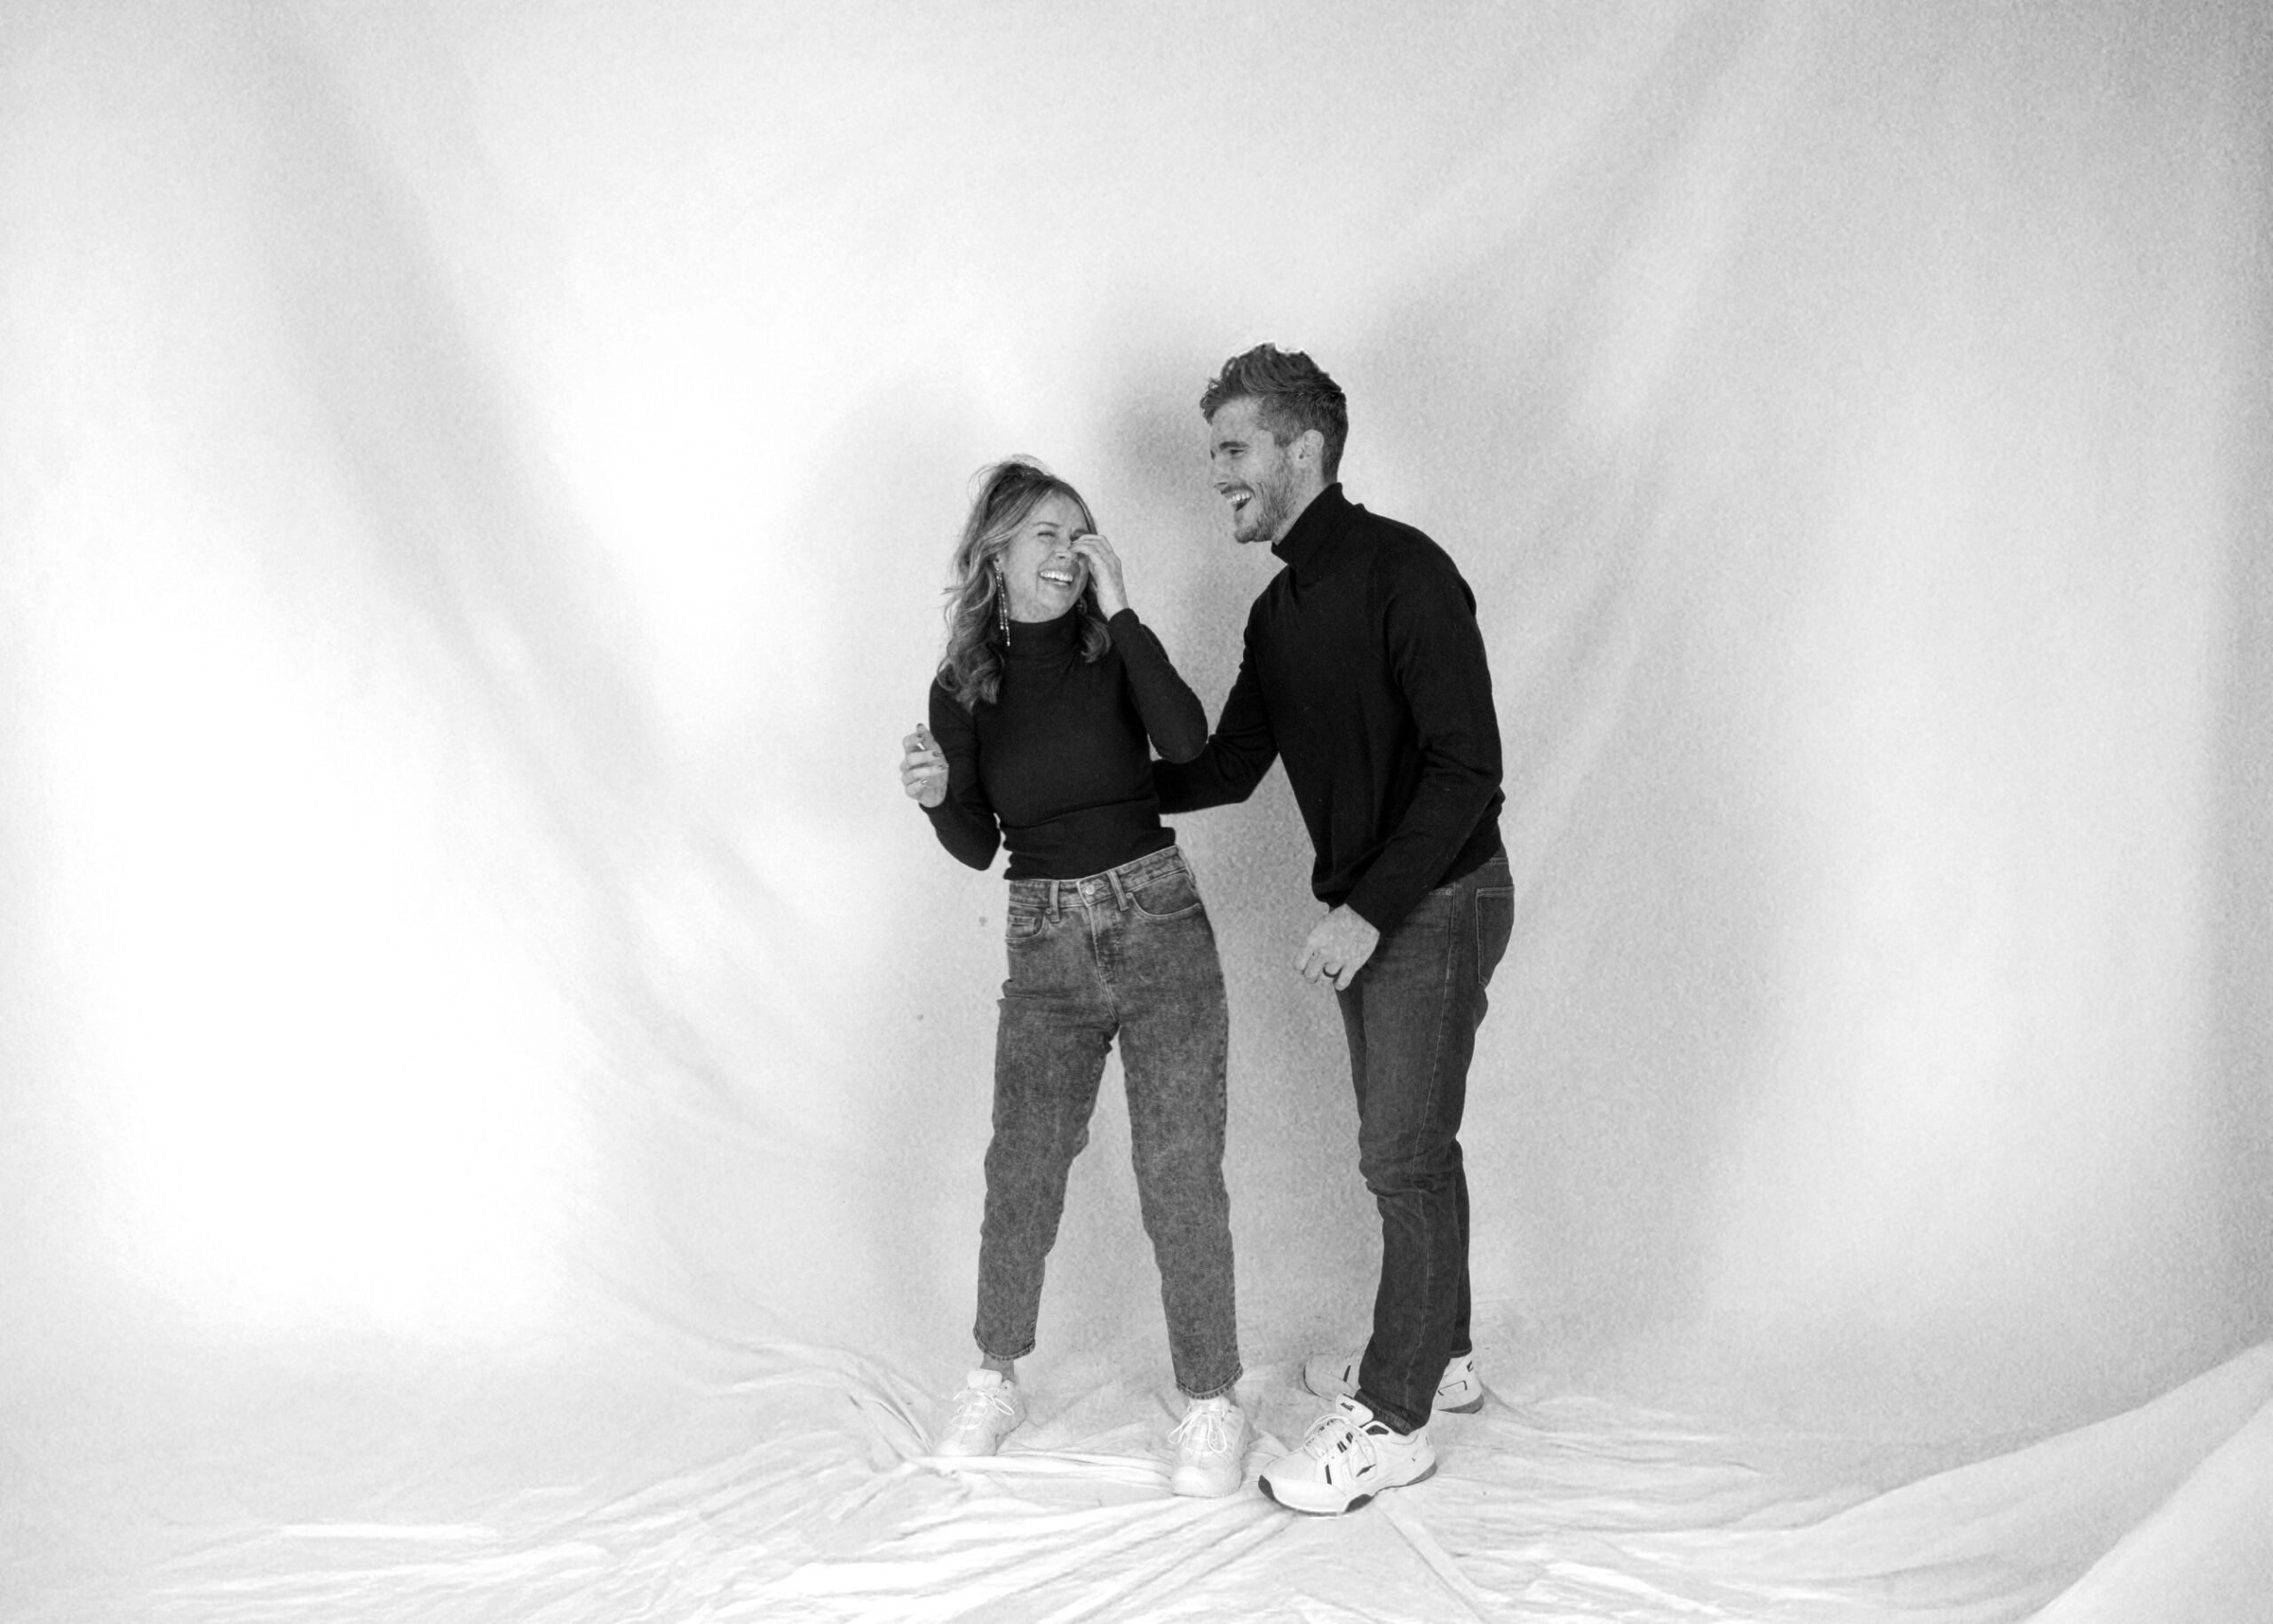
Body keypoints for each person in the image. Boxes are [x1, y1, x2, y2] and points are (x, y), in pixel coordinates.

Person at [1154, 345, 1511, 1516]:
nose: (1218, 473)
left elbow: (1467, 769)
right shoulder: (1280, 610)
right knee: (1416, 1148)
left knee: (1401, 1156)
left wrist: (1367, 911)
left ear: (1302, 449)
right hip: (1382, 910)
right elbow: (1226, 765)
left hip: (1441, 898)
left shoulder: (1407, 572)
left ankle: (1395, 1420)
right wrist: (1083, 787)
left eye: (1234, 447)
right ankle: (1441, 1355)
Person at [897, 457, 1247, 1498]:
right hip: (1044, 939)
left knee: (1179, 1172)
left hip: (1158, 920)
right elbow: (976, 842)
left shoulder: (1111, 649)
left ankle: (1213, 1398)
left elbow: (1185, 738)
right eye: (1046, 533)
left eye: (1080, 533)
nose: (1068, 551)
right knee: (1022, 1169)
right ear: (996, 553)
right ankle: (993, 1376)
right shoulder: (962, 686)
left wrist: (1125, 607)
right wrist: (936, 795)